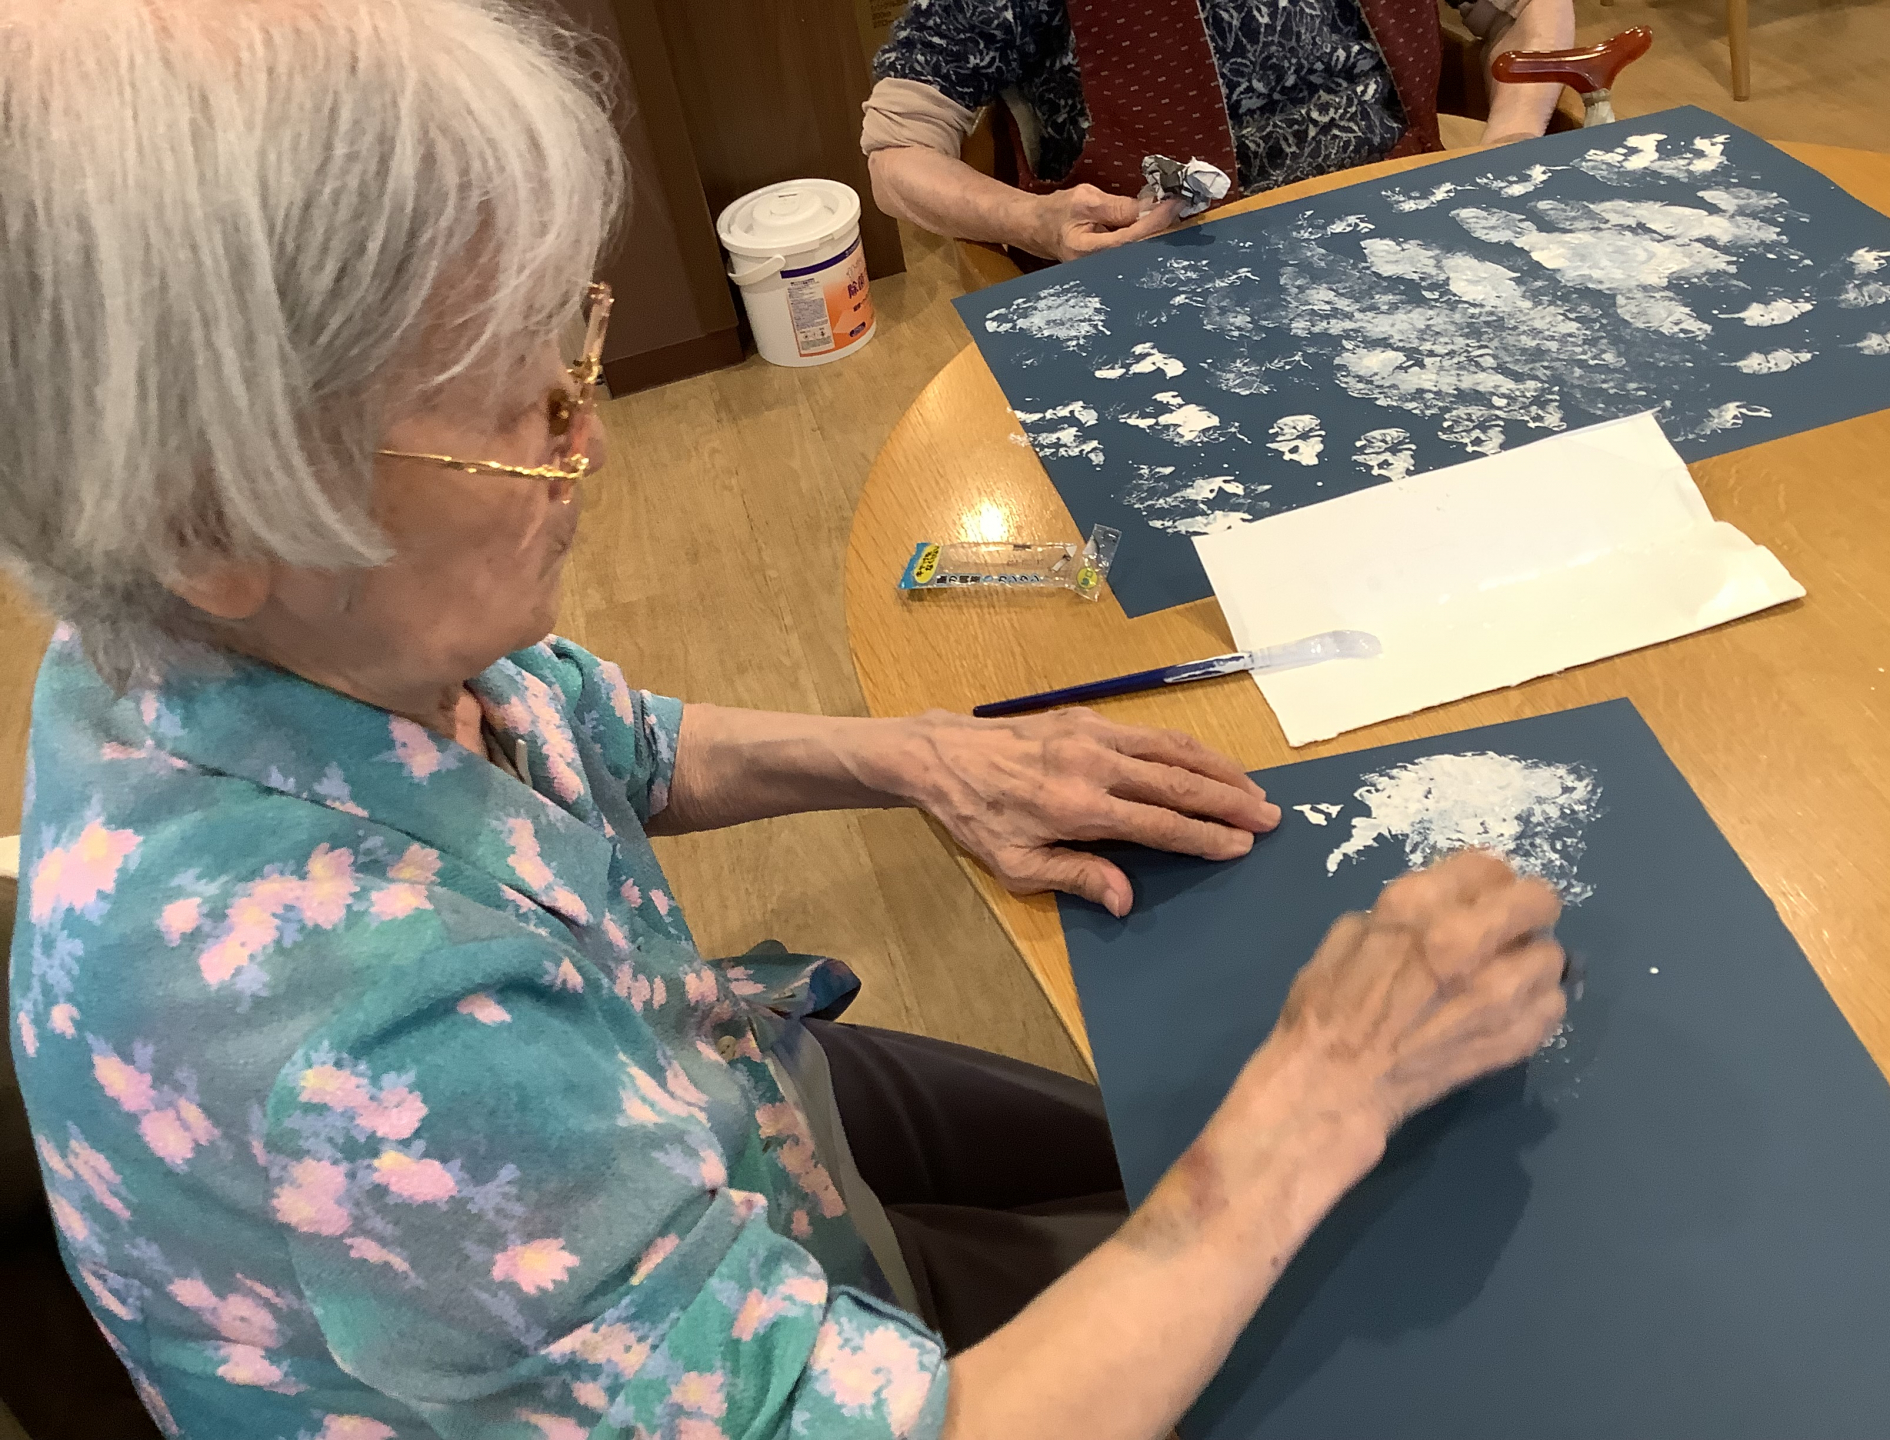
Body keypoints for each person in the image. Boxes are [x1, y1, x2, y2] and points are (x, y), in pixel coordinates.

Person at [0, 3, 1568, 1437]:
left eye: (570, 345)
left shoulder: (214, 630)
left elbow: (592, 733)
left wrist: (923, 754)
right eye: (523, 414)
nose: (590, 444)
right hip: (672, 1259)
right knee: (1355, 1279)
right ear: (213, 516)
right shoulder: (372, 1048)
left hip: (709, 1084)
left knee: (1205, 1148)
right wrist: (1315, 1102)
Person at [863, 0, 1576, 262]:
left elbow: (1526, 9)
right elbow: (898, 154)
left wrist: (1509, 140)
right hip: (1168, 282)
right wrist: (1032, 221)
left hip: (1409, 235)